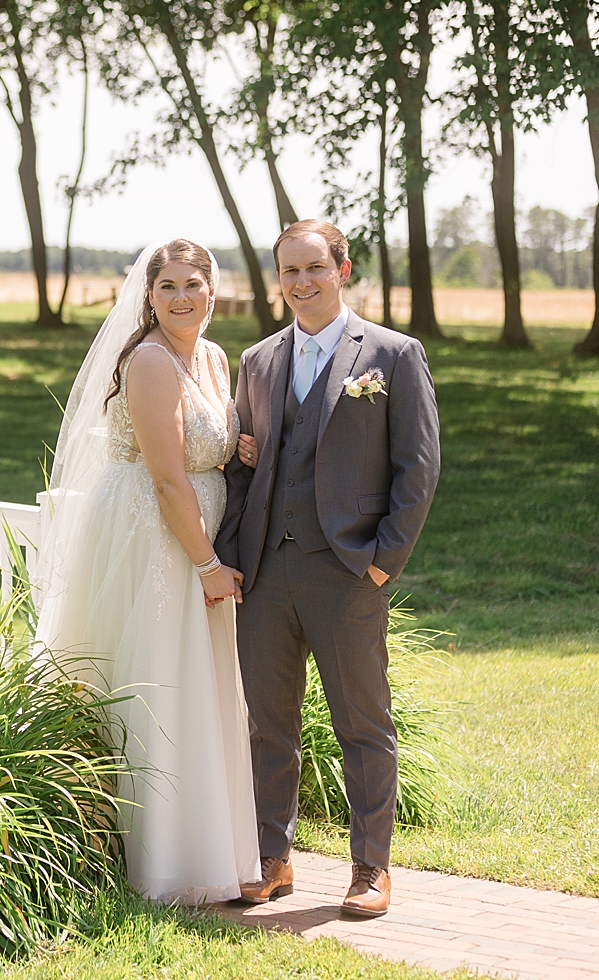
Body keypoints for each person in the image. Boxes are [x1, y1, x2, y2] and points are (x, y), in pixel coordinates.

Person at [217, 219, 440, 918]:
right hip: (267, 574)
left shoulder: (393, 355)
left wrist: (381, 565)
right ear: (277, 279)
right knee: (268, 726)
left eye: (315, 267)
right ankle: (272, 859)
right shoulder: (257, 360)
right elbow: (242, 469)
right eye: (289, 271)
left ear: (342, 270)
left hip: (348, 575)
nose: (302, 282)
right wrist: (234, 556)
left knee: (363, 726)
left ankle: (371, 870)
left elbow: (418, 467)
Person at [35, 239, 262, 905]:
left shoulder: (216, 358)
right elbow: (166, 477)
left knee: (196, 685)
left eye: (194, 283)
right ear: (149, 294)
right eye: (168, 286)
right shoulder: (150, 361)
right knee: (160, 679)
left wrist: (235, 443)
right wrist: (208, 563)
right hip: (157, 539)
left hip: (194, 529)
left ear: (214, 289)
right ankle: (161, 861)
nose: (182, 297)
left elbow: (205, 448)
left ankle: (208, 848)